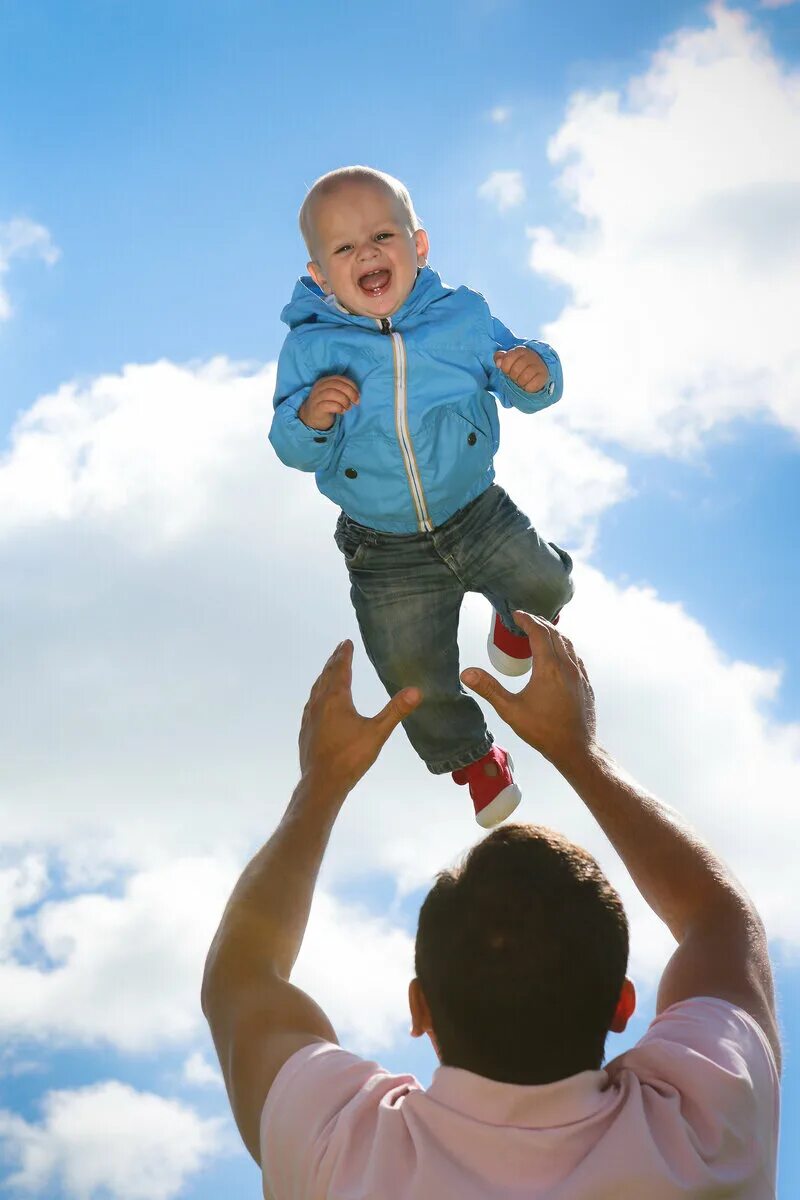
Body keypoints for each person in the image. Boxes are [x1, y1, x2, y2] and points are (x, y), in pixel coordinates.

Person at [202, 613, 781, 1199]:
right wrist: (581, 753)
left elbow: (241, 976)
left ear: (419, 1009)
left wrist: (320, 783)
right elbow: (720, 918)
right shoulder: (707, 1132)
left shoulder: (340, 1153)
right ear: (621, 1004)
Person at [268, 165, 573, 827]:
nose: (368, 254)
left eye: (382, 235)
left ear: (420, 246)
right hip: (384, 548)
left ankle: (515, 621)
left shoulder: (461, 317)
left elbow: (519, 373)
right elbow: (291, 446)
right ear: (320, 276)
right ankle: (475, 762)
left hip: (476, 508)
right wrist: (313, 419)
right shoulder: (311, 350)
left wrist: (535, 372)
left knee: (544, 584)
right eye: (344, 249)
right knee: (410, 672)